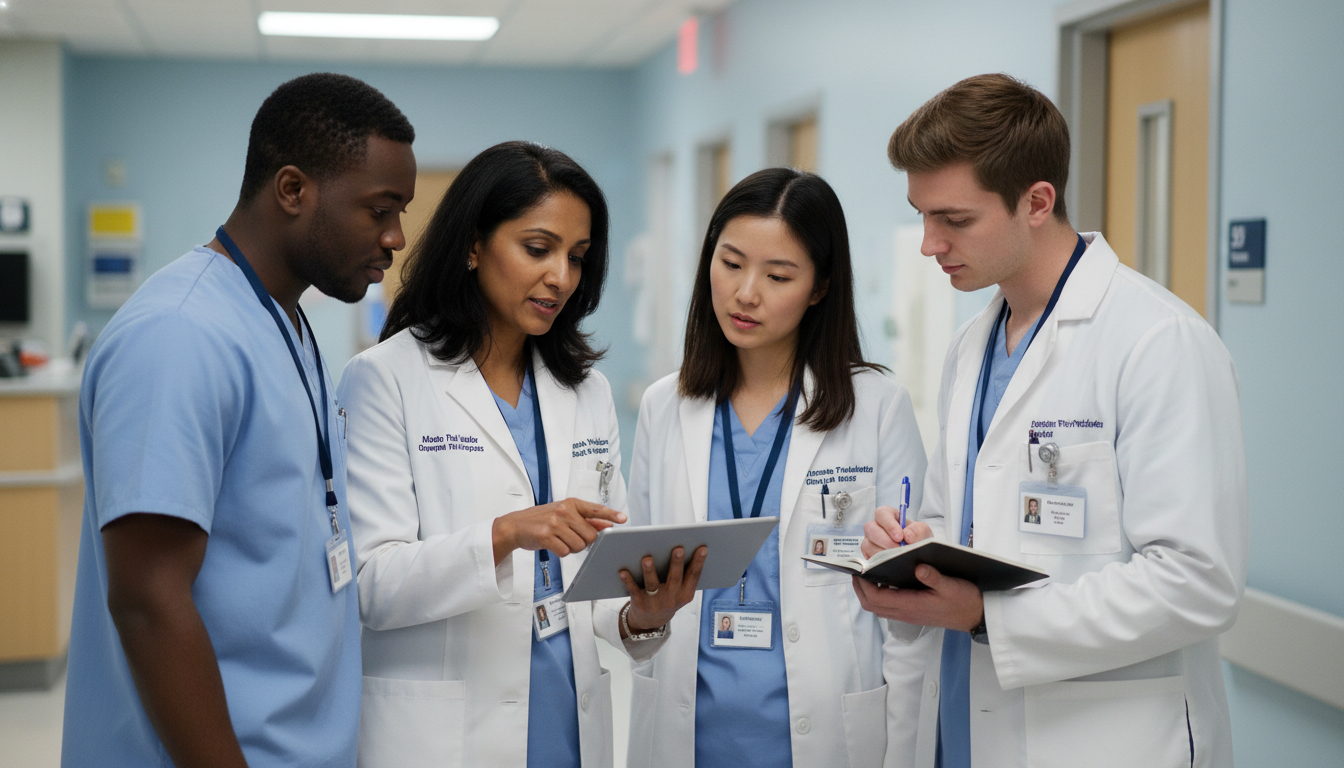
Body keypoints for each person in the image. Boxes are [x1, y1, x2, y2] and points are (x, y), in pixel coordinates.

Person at [855, 73, 1247, 768]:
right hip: (965, 728)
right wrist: (912, 545)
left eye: (954, 219)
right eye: (922, 215)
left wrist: (986, 615)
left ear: (1037, 201)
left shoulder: (1158, 342)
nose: (928, 244)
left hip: (1104, 738)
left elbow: (1197, 582)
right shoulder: (972, 346)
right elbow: (965, 523)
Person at [61, 73, 416, 767]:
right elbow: (147, 601)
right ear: (292, 190)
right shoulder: (179, 336)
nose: (397, 236)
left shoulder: (284, 322)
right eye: (379, 209)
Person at [338, 141, 704, 768]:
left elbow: (600, 580)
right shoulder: (384, 379)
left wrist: (642, 616)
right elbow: (371, 586)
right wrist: (505, 534)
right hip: (444, 737)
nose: (560, 276)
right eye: (538, 249)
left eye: (578, 257)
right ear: (474, 245)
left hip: (569, 722)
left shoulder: (585, 390)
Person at [626, 167, 931, 768]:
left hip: (831, 736)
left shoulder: (876, 408)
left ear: (819, 287)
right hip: (688, 731)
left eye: (778, 275)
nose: (746, 293)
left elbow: (908, 617)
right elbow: (636, 583)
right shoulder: (666, 407)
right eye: (731, 262)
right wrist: (640, 619)